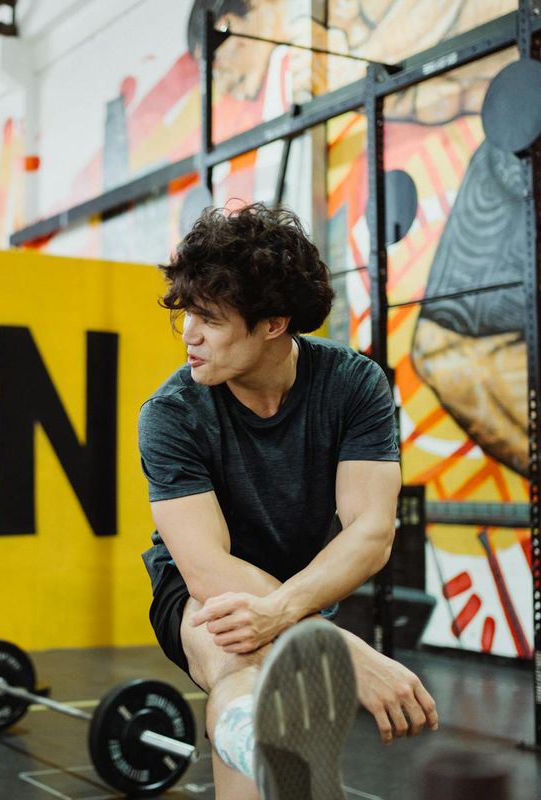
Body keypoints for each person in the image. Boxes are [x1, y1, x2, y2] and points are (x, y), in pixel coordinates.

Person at [138, 204, 439, 799]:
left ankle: (272, 761)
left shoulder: (354, 385)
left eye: (209, 320)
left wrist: (289, 617)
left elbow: (371, 533)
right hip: (202, 592)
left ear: (273, 324)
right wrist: (344, 652)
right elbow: (205, 568)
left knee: (278, 691)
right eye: (186, 318)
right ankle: (260, 746)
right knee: (235, 664)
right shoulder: (171, 413)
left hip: (296, 590)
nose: (189, 336)